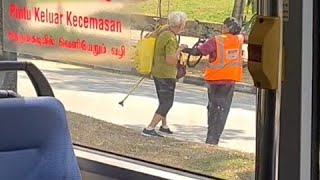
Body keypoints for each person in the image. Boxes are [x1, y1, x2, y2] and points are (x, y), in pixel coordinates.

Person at [182, 17, 246, 145]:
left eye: (224, 26)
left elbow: (198, 51)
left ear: (227, 28)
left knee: (213, 108)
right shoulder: (239, 39)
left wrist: (184, 48)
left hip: (215, 81)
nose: (222, 28)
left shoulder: (216, 40)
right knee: (223, 110)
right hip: (230, 80)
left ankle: (211, 137)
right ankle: (215, 137)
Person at [141, 11, 188, 137]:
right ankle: (150, 128)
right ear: (179, 25)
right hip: (166, 74)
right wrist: (180, 49)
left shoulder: (162, 29)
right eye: (184, 24)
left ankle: (164, 125)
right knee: (167, 103)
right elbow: (171, 60)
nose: (184, 27)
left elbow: (150, 35)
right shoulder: (171, 39)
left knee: (163, 100)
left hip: (157, 70)